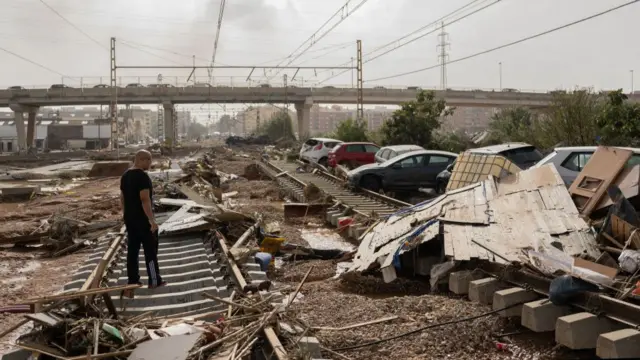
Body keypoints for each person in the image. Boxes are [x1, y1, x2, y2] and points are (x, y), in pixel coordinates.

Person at [120, 150, 166, 298]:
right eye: (149, 161)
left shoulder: (125, 175)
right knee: (150, 251)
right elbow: (145, 199)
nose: (150, 164)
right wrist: (151, 221)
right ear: (142, 160)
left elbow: (122, 197)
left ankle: (133, 281)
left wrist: (125, 214)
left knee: (132, 252)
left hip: (130, 220)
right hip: (143, 221)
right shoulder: (142, 176)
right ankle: (154, 280)